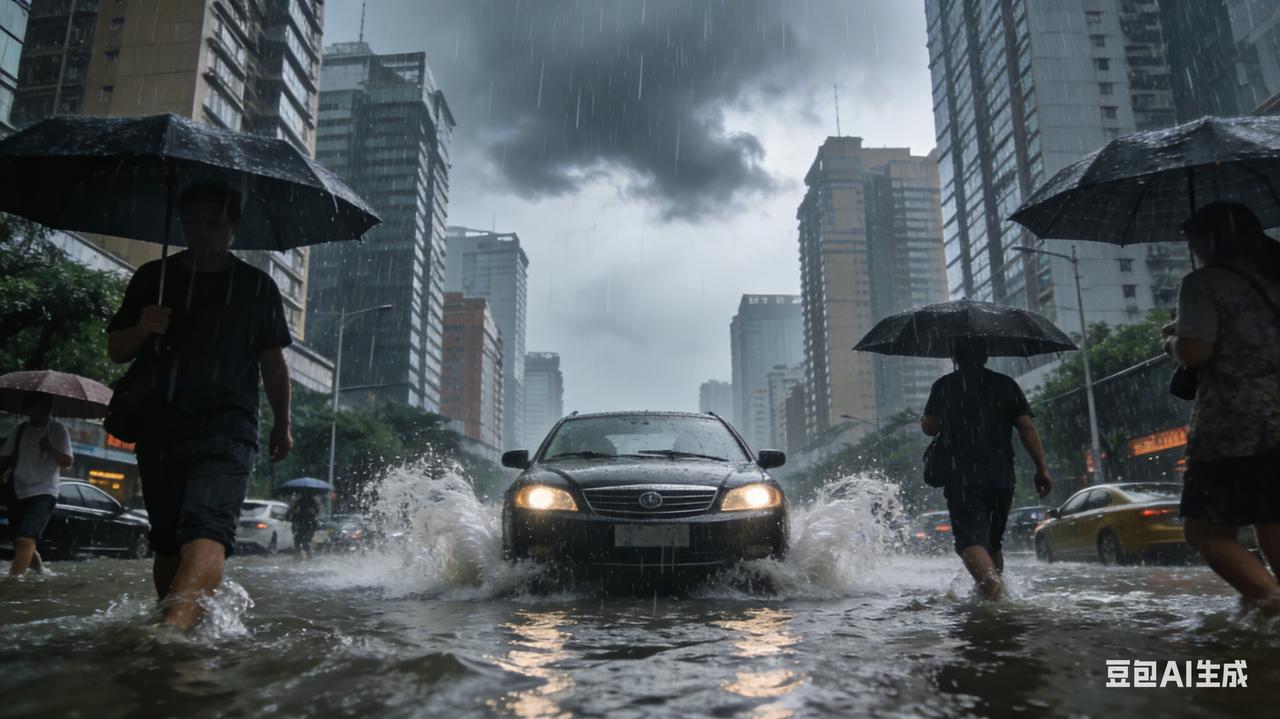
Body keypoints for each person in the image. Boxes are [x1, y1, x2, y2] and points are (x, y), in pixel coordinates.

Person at [107, 182, 293, 630]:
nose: (202, 234)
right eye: (192, 224)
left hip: (228, 428)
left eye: (213, 224)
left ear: (234, 228)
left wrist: (282, 423)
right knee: (169, 542)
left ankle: (172, 633)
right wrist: (144, 327)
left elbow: (273, 362)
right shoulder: (154, 278)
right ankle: (178, 622)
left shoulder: (256, 286)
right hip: (160, 426)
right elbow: (116, 349)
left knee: (208, 528)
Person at [1162, 202, 1280, 613]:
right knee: (1273, 522)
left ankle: (1271, 602)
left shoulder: (1204, 282)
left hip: (1235, 426)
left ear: (1210, 239)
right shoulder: (1273, 276)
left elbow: (1196, 352)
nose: (1192, 249)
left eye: (1193, 240)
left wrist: (1172, 340)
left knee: (1205, 531)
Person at [921, 339, 1053, 600]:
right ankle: (992, 598)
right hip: (1001, 475)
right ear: (987, 355)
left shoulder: (945, 386)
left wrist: (929, 419)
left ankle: (996, 597)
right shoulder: (1005, 384)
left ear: (953, 357)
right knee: (992, 542)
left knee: (969, 542)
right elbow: (1026, 428)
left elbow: (930, 428)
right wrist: (1042, 469)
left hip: (961, 474)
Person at [1, 395, 73, 576]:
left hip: (44, 491)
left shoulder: (58, 430)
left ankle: (13, 583)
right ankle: (40, 571)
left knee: (25, 539)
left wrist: (49, 447)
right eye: (37, 405)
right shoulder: (20, 430)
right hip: (17, 489)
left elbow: (67, 461)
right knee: (21, 540)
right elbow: (5, 458)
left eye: (46, 406)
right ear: (29, 408)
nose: (42, 410)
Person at [289, 493, 320, 559]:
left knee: (306, 540)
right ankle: (300, 554)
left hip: (309, 524)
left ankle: (307, 554)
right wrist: (296, 511)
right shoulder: (298, 502)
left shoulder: (313, 502)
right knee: (298, 540)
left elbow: (316, 513)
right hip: (300, 523)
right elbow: (292, 514)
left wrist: (312, 511)